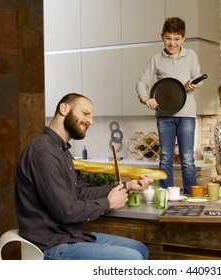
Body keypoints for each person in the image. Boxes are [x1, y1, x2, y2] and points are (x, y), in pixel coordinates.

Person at [15, 93, 151, 260]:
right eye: (85, 114)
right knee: (132, 258)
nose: (90, 121)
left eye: (91, 117)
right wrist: (108, 203)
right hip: (51, 245)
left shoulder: (62, 151)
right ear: (64, 108)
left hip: (71, 236)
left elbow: (80, 192)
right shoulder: (43, 152)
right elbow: (67, 211)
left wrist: (128, 186)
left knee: (140, 249)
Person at [136, 17, 204, 195]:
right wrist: (145, 98)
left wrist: (193, 84)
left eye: (176, 39)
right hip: (164, 115)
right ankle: (165, 195)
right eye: (168, 38)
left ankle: (191, 195)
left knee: (187, 158)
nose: (172, 43)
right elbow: (142, 82)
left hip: (187, 114)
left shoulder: (190, 55)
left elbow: (199, 79)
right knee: (165, 157)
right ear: (162, 37)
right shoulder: (156, 59)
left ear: (183, 38)